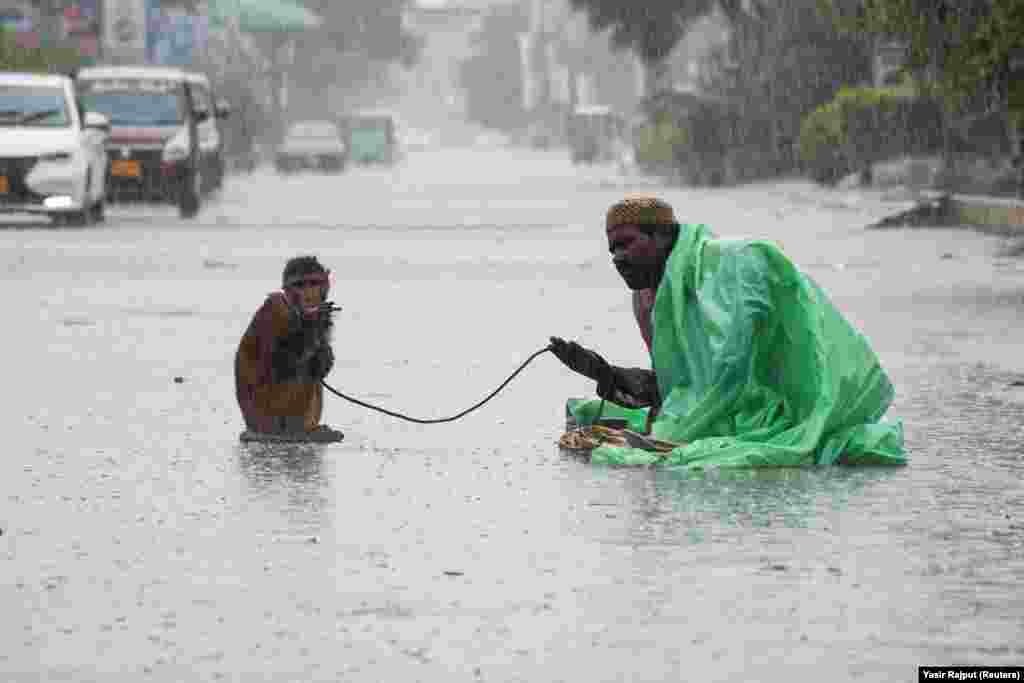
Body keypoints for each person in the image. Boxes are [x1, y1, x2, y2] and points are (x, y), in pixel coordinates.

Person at [550, 195, 905, 467]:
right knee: (588, 419)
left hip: (782, 402)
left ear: (661, 237)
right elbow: (676, 389)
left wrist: (668, 433)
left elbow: (732, 378)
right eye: (612, 249)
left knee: (666, 453)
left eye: (627, 244)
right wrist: (606, 373)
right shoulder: (646, 300)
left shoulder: (738, 263)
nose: (617, 257)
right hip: (720, 408)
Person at [234, 255, 342, 439]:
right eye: (300, 285)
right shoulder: (275, 310)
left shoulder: (314, 314)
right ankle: (291, 428)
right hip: (268, 414)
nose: (308, 292)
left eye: (314, 284)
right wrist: (310, 328)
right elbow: (283, 365)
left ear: (325, 286)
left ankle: (304, 425)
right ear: (287, 290)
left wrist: (319, 331)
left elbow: (319, 370)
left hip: (295, 414)